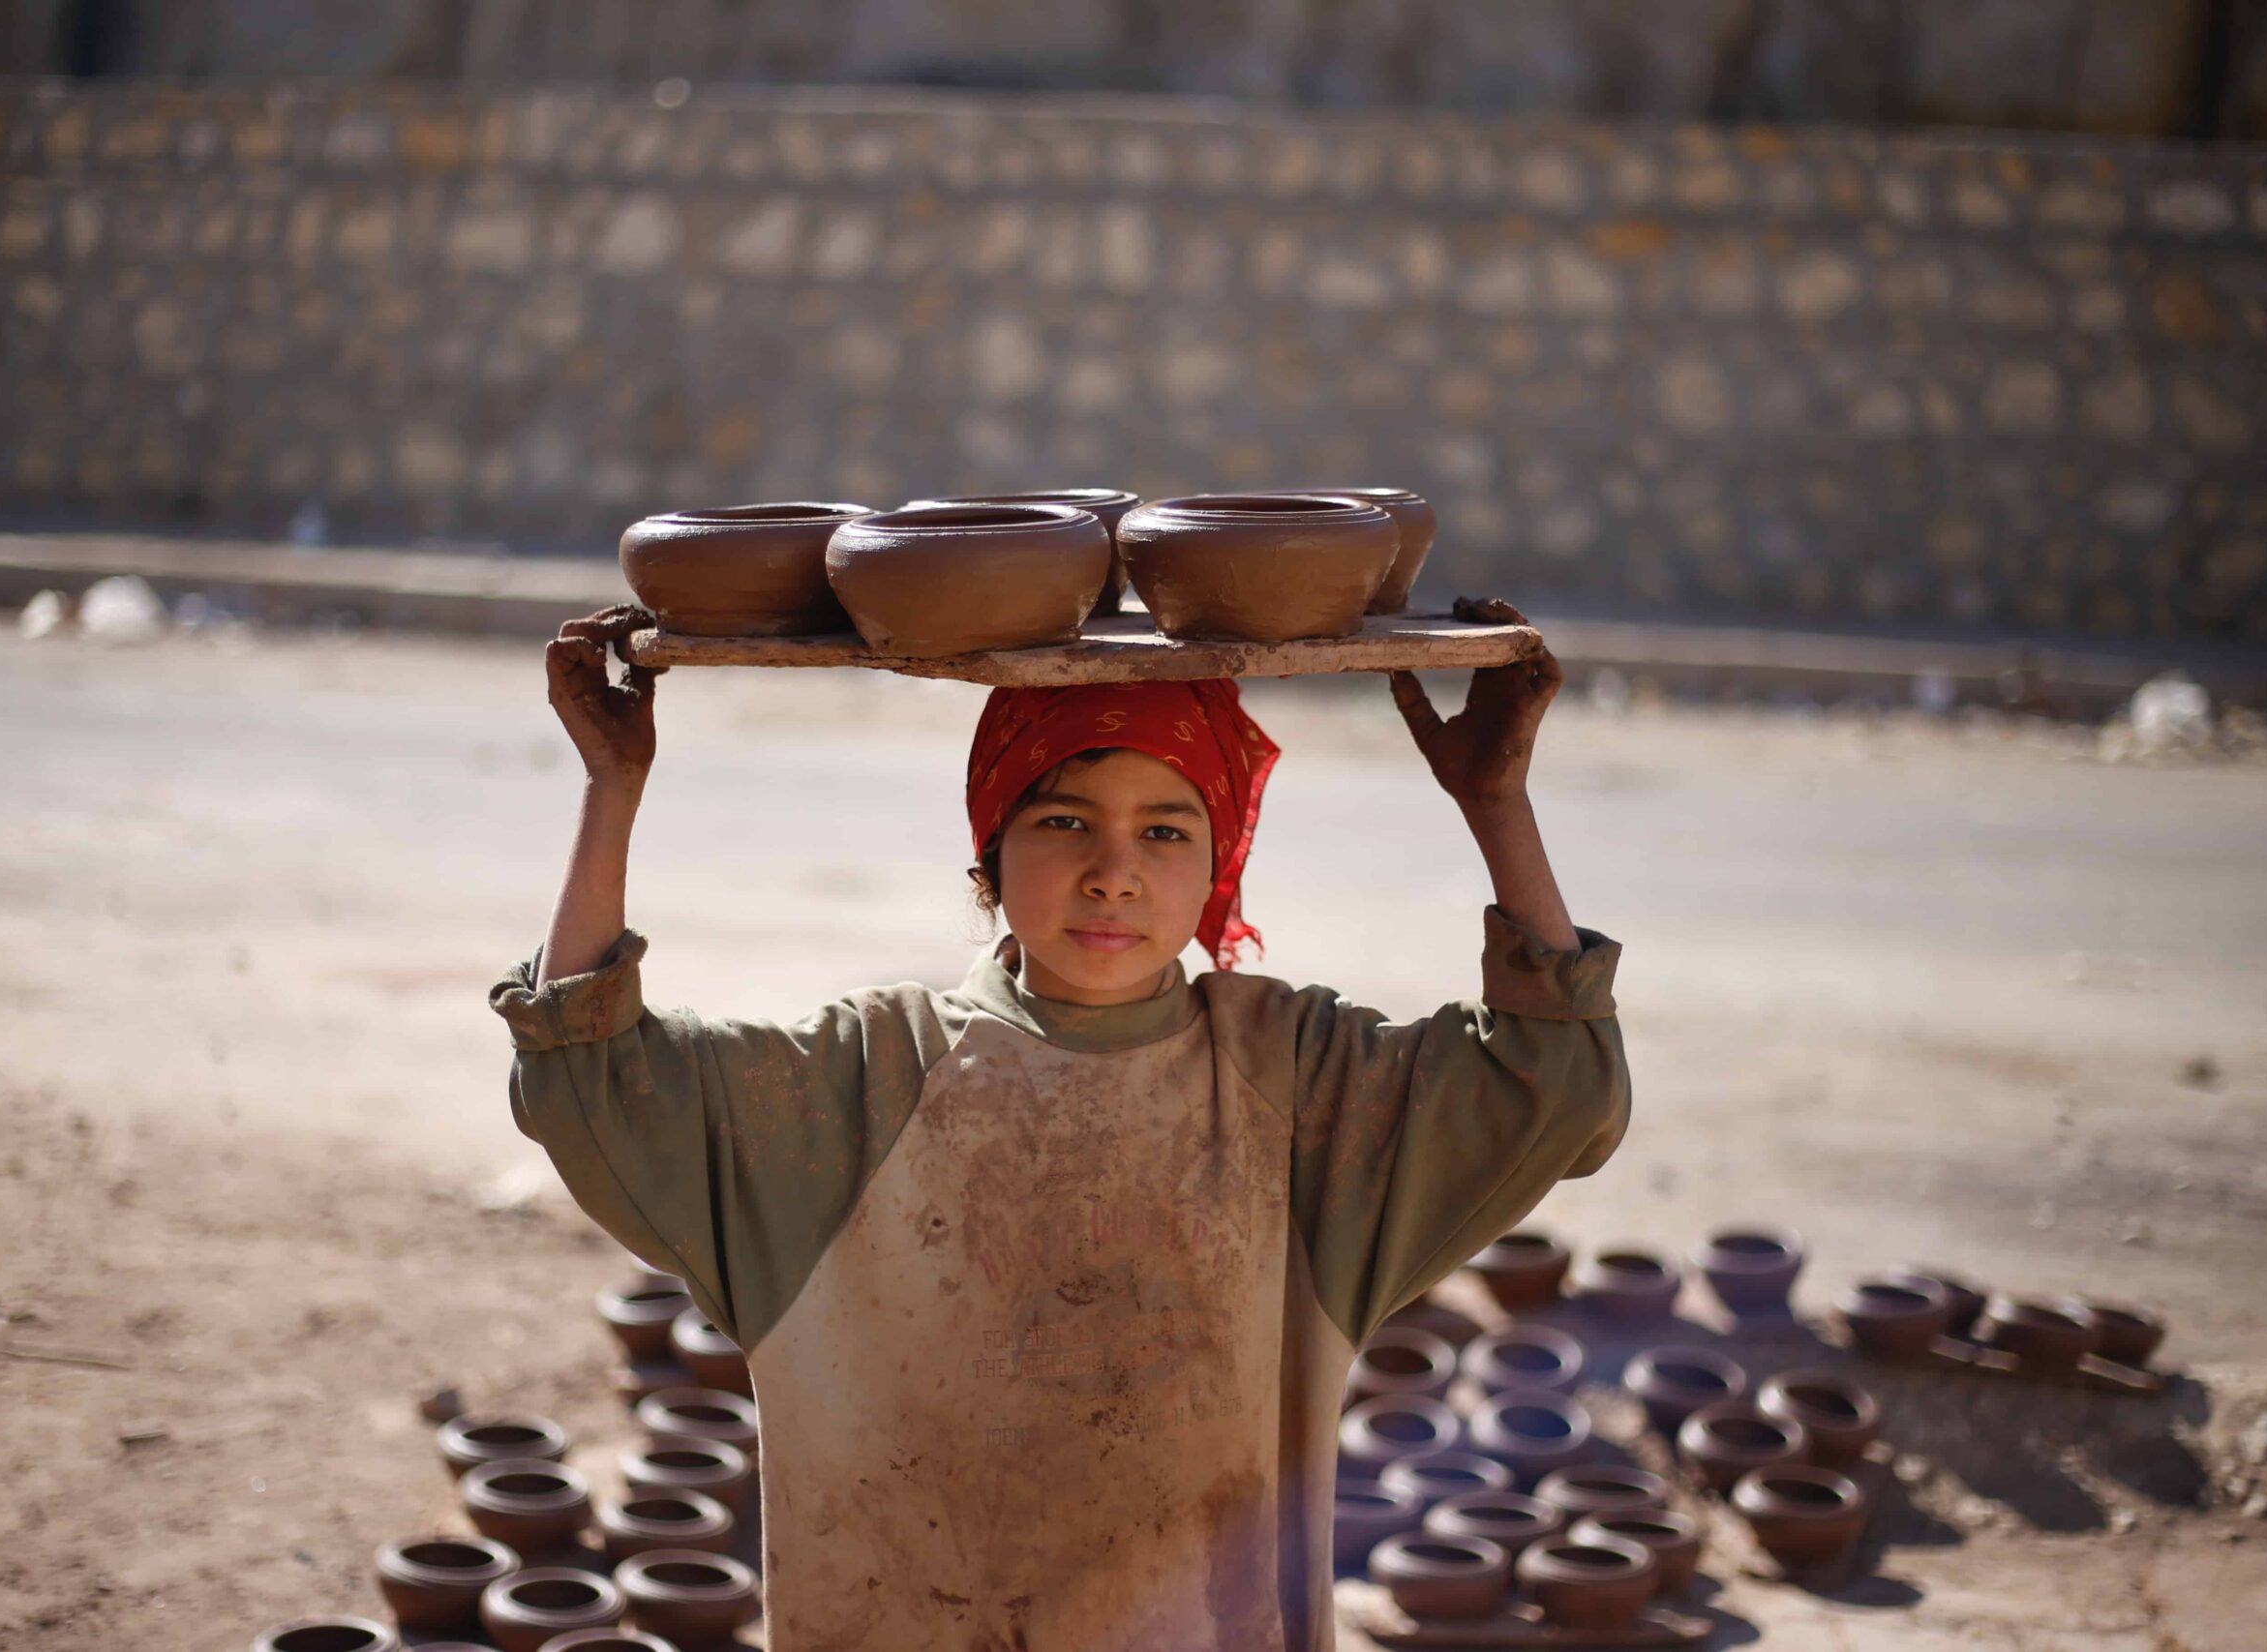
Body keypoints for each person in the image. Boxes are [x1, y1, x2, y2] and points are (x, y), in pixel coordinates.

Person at [491, 598, 1630, 1651]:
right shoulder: (866, 1078)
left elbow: (1551, 1083)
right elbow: (591, 1076)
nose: (1112, 873)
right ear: (990, 851)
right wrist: (613, 786)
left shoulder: (1293, 1081)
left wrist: (1495, 803)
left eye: (1168, 832)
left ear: (1221, 864)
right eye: (1064, 818)